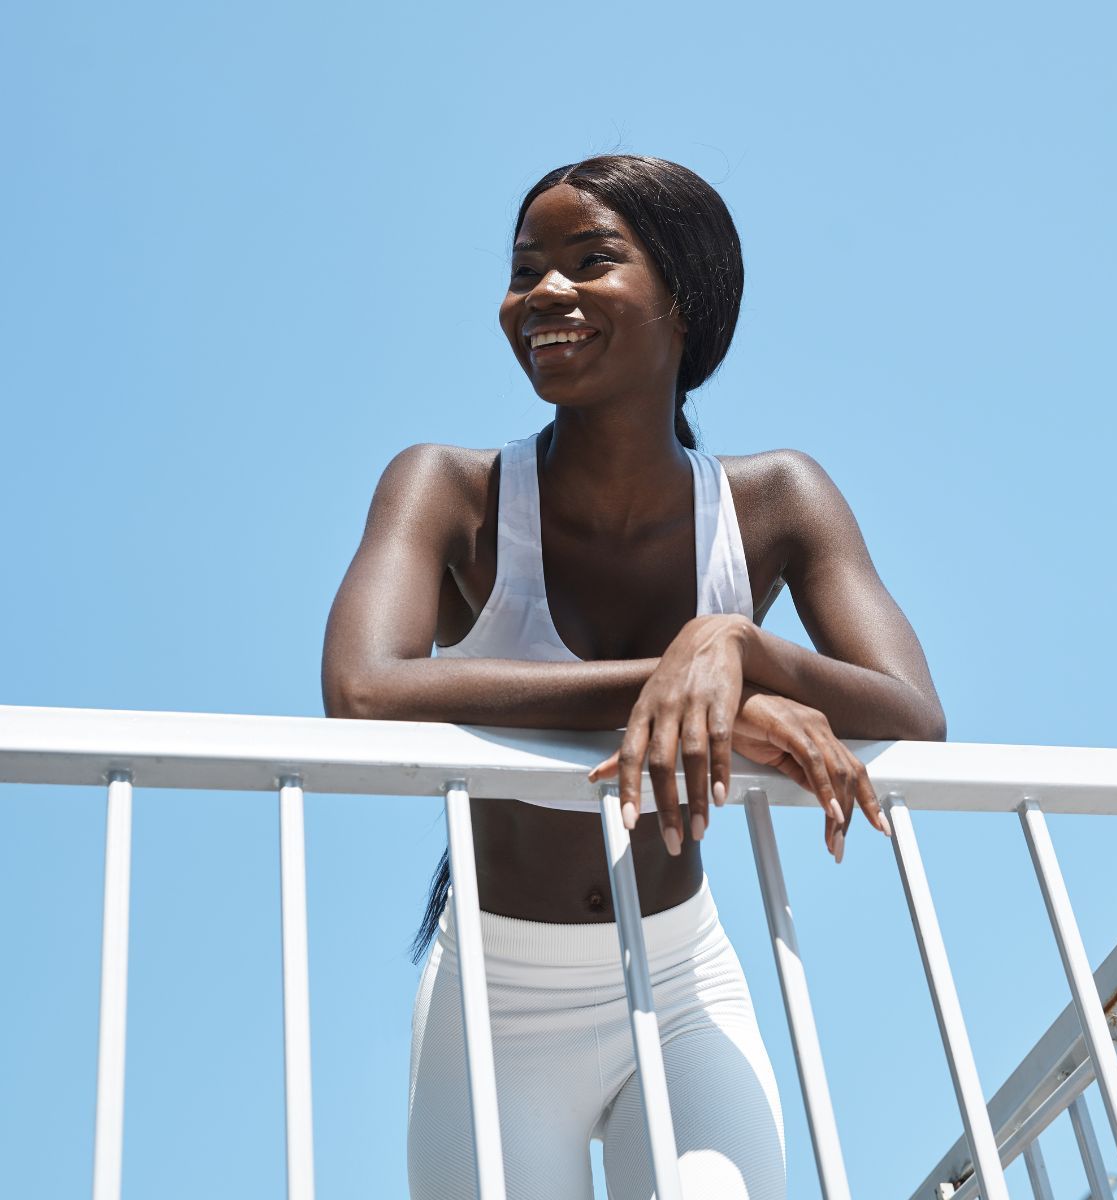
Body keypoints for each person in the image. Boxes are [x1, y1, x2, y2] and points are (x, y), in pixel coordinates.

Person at [321, 154, 945, 1199]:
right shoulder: (448, 489)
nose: (543, 294)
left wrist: (735, 649)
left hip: (684, 980)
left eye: (589, 260)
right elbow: (364, 690)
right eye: (525, 271)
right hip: (495, 1000)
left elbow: (914, 718)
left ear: (685, 304)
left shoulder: (780, 500)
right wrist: (675, 677)